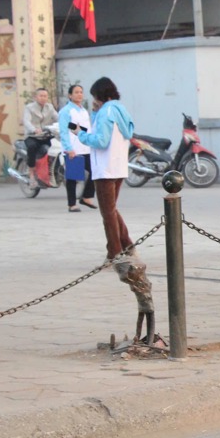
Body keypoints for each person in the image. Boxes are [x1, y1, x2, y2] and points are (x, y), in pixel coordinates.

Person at [77, 78, 154, 321]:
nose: (93, 101)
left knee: (107, 212)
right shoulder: (120, 109)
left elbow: (100, 141)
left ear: (100, 94)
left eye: (93, 96)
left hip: (104, 169)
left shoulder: (106, 112)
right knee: (111, 209)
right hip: (119, 167)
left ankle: (115, 253)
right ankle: (128, 247)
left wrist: (81, 135)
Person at [58, 84, 96, 213]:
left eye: (81, 92)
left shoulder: (84, 111)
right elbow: (64, 131)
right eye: (76, 92)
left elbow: (87, 129)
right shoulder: (66, 111)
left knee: (94, 172)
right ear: (70, 95)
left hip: (86, 147)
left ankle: (86, 196)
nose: (79, 94)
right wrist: (69, 148)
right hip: (73, 148)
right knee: (73, 177)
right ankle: (72, 204)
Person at [22, 87, 59, 188]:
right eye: (41, 96)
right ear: (36, 97)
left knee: (55, 147)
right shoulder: (29, 108)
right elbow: (26, 121)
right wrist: (34, 129)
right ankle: (32, 175)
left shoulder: (49, 107)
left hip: (45, 135)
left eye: (45, 96)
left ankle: (51, 172)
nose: (43, 98)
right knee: (32, 147)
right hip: (32, 136)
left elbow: (58, 117)